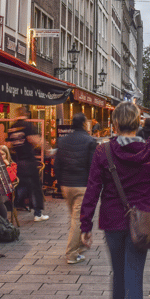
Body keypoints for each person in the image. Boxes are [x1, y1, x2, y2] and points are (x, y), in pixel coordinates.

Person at [80, 102, 150, 299]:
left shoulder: (104, 152)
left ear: (115, 124)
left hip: (113, 220)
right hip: (143, 220)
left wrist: (85, 224)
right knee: (135, 276)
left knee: (119, 276)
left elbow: (93, 189)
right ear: (137, 123)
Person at [54, 113, 98, 264]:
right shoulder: (90, 141)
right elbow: (93, 166)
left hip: (66, 185)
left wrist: (60, 182)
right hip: (82, 186)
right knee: (77, 220)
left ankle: (79, 247)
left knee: (75, 217)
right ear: (85, 124)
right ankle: (72, 254)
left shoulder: (63, 141)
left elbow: (57, 165)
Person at [7, 106, 48, 220]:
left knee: (20, 186)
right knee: (35, 186)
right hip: (29, 160)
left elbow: (9, 146)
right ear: (26, 113)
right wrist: (45, 147)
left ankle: (13, 208)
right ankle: (38, 214)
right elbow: (34, 140)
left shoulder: (12, 127)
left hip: (18, 161)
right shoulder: (28, 126)